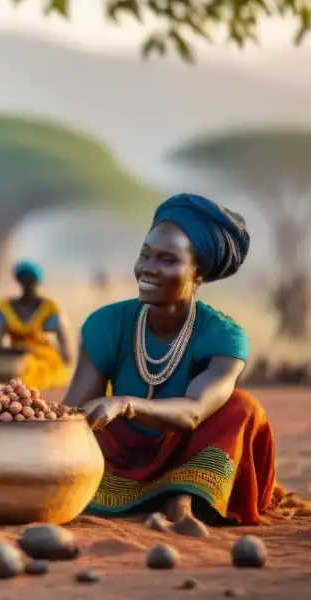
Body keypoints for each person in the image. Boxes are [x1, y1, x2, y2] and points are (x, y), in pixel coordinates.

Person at [65, 194, 278, 528]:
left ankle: (183, 498)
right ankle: (154, 497)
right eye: (145, 254)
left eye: (167, 259)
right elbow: (74, 409)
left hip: (184, 451)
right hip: (117, 455)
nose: (148, 267)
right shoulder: (105, 323)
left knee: (242, 408)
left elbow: (193, 412)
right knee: (75, 426)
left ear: (199, 272)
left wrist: (125, 403)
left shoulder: (224, 336)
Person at [0, 260, 72, 391]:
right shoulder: (5, 307)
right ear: (19, 281)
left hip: (44, 357)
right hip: (16, 355)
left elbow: (62, 335)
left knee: (28, 373)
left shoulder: (48, 307)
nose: (28, 284)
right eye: (25, 280)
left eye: (30, 280)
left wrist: (66, 355)